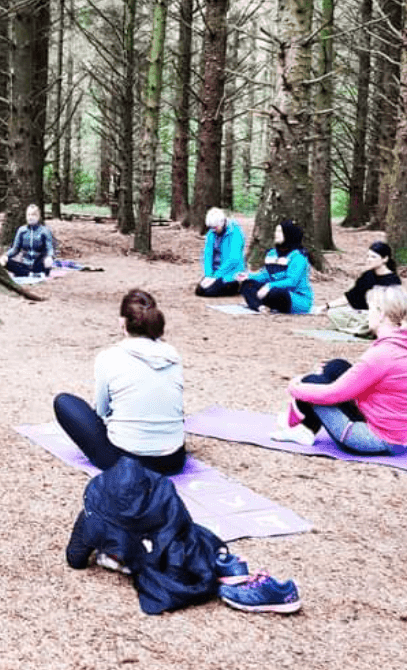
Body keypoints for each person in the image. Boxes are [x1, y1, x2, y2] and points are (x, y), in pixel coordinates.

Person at [65, 456, 301, 615]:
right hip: (162, 536)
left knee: (176, 556)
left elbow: (75, 558)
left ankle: (243, 583)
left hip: (144, 541)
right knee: (187, 551)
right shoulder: (163, 502)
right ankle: (233, 575)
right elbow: (180, 527)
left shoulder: (96, 518)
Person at [273, 285, 407, 455]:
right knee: (336, 367)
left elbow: (333, 394)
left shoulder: (382, 354)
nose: (366, 314)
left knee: (311, 382)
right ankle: (303, 429)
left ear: (381, 314)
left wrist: (295, 387)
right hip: (398, 435)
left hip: (375, 439)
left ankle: (298, 425)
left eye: (370, 309)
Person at [53, 289, 186, 475]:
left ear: (122, 322)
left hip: (126, 461)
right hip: (174, 460)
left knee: (64, 401)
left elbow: (102, 410)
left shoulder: (109, 357)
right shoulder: (173, 354)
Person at [322, 241, 401, 336]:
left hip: (379, 316)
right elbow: (351, 296)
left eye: (373, 257)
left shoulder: (393, 280)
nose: (369, 260)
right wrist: (327, 306)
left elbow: (392, 308)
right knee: (333, 312)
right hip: (361, 315)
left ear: (385, 259)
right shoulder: (367, 276)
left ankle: (361, 329)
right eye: (368, 256)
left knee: (374, 323)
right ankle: (359, 329)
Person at [237, 220, 313, 314]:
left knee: (278, 293)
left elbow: (292, 282)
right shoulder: (272, 253)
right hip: (273, 291)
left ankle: (256, 303)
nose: (276, 234)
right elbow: (266, 275)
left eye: (280, 232)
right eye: (276, 231)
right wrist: (249, 276)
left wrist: (269, 286)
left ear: (289, 234)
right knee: (247, 285)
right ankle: (260, 307)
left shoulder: (298, 257)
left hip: (296, 299)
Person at [194, 207, 245, 297]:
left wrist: (216, 276)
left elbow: (234, 259)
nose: (213, 230)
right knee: (200, 290)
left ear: (222, 222)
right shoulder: (211, 233)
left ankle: (237, 287)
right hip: (215, 271)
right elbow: (208, 254)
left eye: (215, 227)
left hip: (231, 273)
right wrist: (208, 275)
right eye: (211, 228)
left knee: (209, 292)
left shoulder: (235, 233)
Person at [4, 204, 57, 277]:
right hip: (25, 263)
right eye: (28, 215)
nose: (30, 217)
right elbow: (15, 249)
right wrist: (6, 256)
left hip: (39, 263)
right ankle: (30, 274)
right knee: (7, 262)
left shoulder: (45, 231)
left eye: (33, 215)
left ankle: (30, 273)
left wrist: (49, 257)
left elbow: (50, 248)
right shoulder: (21, 230)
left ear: (38, 216)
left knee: (47, 261)